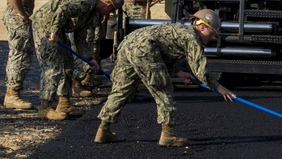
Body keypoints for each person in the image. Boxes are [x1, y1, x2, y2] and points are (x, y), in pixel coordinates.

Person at [94, 9, 236, 146]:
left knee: (121, 90)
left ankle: (103, 130)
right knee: (163, 90)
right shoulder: (192, 37)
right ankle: (168, 135)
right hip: (145, 48)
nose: (211, 38)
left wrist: (178, 73)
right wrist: (219, 87)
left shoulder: (180, 31)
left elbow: (164, 55)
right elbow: (200, 70)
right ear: (203, 27)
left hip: (128, 44)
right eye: (212, 33)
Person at [31, 0, 121, 120]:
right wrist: (54, 31)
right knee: (53, 65)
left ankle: (64, 103)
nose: (110, 13)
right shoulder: (86, 1)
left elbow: (81, 38)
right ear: (108, 5)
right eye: (112, 10)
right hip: (45, 25)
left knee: (68, 64)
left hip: (58, 29)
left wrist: (90, 59)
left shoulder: (93, 14)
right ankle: (45, 107)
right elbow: (63, 10)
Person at [2, 0, 43, 110]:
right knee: (20, 54)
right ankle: (12, 94)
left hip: (14, 14)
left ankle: (13, 92)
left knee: (17, 53)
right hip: (18, 16)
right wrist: (22, 13)